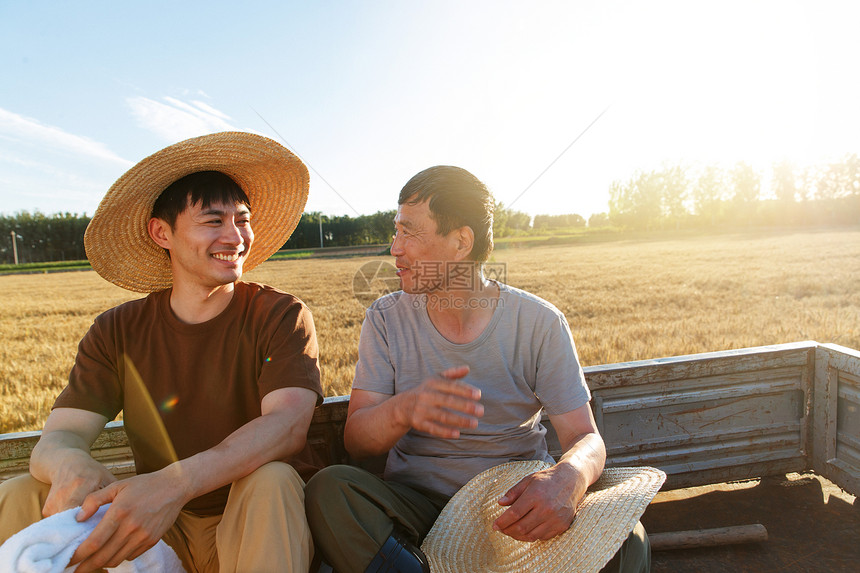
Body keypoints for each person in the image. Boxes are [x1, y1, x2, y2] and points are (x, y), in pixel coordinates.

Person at [0, 132, 323, 573]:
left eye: (242, 219)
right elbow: (59, 438)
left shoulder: (279, 314)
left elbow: (286, 427)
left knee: (273, 479)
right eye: (213, 221)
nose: (236, 236)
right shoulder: (117, 330)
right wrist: (71, 464)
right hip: (157, 528)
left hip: (246, 521)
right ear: (161, 233)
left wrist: (173, 485)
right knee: (21, 493)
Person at [305, 166, 650, 573]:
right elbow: (358, 442)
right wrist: (405, 409)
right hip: (417, 509)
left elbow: (584, 437)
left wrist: (569, 477)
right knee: (329, 490)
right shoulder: (385, 318)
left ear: (460, 242)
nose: (394, 248)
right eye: (394, 232)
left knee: (628, 539)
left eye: (408, 232)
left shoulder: (538, 322)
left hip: (511, 506)